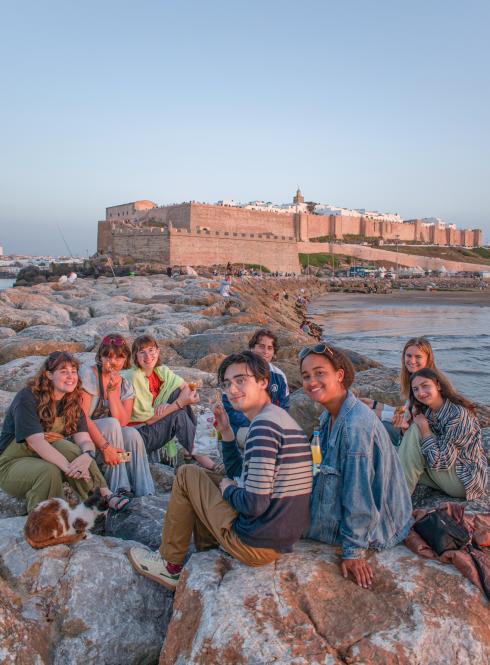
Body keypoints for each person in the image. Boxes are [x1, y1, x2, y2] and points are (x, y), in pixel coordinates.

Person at [127, 351, 312, 590]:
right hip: (279, 535)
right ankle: (208, 545)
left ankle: (169, 563)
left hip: (257, 543)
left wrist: (227, 490)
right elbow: (239, 473)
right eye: (227, 383)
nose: (232, 389)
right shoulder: (277, 419)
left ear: (264, 381)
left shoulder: (263, 428)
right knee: (209, 476)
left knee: (187, 474)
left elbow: (254, 504)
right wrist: (226, 432)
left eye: (241, 380)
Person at [300, 344, 412, 589]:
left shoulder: (355, 426)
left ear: (339, 375)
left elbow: (358, 490)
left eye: (320, 373)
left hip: (379, 527)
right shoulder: (329, 415)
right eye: (306, 376)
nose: (311, 381)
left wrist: (353, 552)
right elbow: (325, 467)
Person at [0, 352, 129, 512]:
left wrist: (87, 456)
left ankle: (101, 496)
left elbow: (84, 439)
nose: (70, 376)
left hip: (43, 455)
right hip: (13, 462)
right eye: (63, 371)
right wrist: (71, 468)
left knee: (72, 449)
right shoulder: (28, 397)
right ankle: (44, 523)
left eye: (73, 371)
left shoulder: (72, 401)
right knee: (49, 471)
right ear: (49, 375)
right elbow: (36, 441)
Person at [122, 335, 217, 471]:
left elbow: (187, 388)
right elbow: (148, 420)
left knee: (176, 393)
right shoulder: (136, 377)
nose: (148, 356)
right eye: (142, 352)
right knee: (177, 414)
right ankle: (203, 457)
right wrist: (177, 404)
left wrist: (176, 402)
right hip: (138, 434)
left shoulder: (160, 371)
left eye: (151, 350)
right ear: (135, 357)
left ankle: (191, 449)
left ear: (158, 351)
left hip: (152, 425)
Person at [79, 334, 154, 496]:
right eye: (108, 356)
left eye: (119, 357)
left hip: (111, 439)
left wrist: (113, 392)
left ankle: (145, 492)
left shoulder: (125, 384)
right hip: (84, 438)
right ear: (100, 356)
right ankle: (119, 489)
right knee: (111, 424)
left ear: (126, 358)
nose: (113, 362)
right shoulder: (89, 374)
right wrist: (106, 448)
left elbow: (123, 422)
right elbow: (81, 417)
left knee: (132, 434)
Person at [398, 368, 486, 500]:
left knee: (416, 430)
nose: (420, 393)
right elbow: (410, 452)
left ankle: (397, 502)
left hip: (464, 480)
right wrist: (405, 430)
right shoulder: (427, 411)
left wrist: (424, 429)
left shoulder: (457, 415)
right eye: (415, 389)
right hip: (443, 475)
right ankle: (390, 491)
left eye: (425, 386)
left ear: (438, 385)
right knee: (391, 459)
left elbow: (442, 462)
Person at [363, 337, 437, 446]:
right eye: (409, 356)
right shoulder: (414, 379)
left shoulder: (427, 385)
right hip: (409, 429)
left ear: (428, 359)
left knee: (366, 422)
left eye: (418, 357)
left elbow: (411, 420)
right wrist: (375, 404)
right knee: (367, 409)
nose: (412, 361)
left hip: (418, 439)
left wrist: (378, 413)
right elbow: (408, 412)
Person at [222, 329, 290, 445]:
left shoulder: (279, 376)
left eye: (270, 348)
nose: (265, 352)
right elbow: (229, 408)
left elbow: (284, 407)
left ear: (274, 352)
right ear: (252, 348)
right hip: (243, 427)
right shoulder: (236, 371)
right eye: (261, 346)